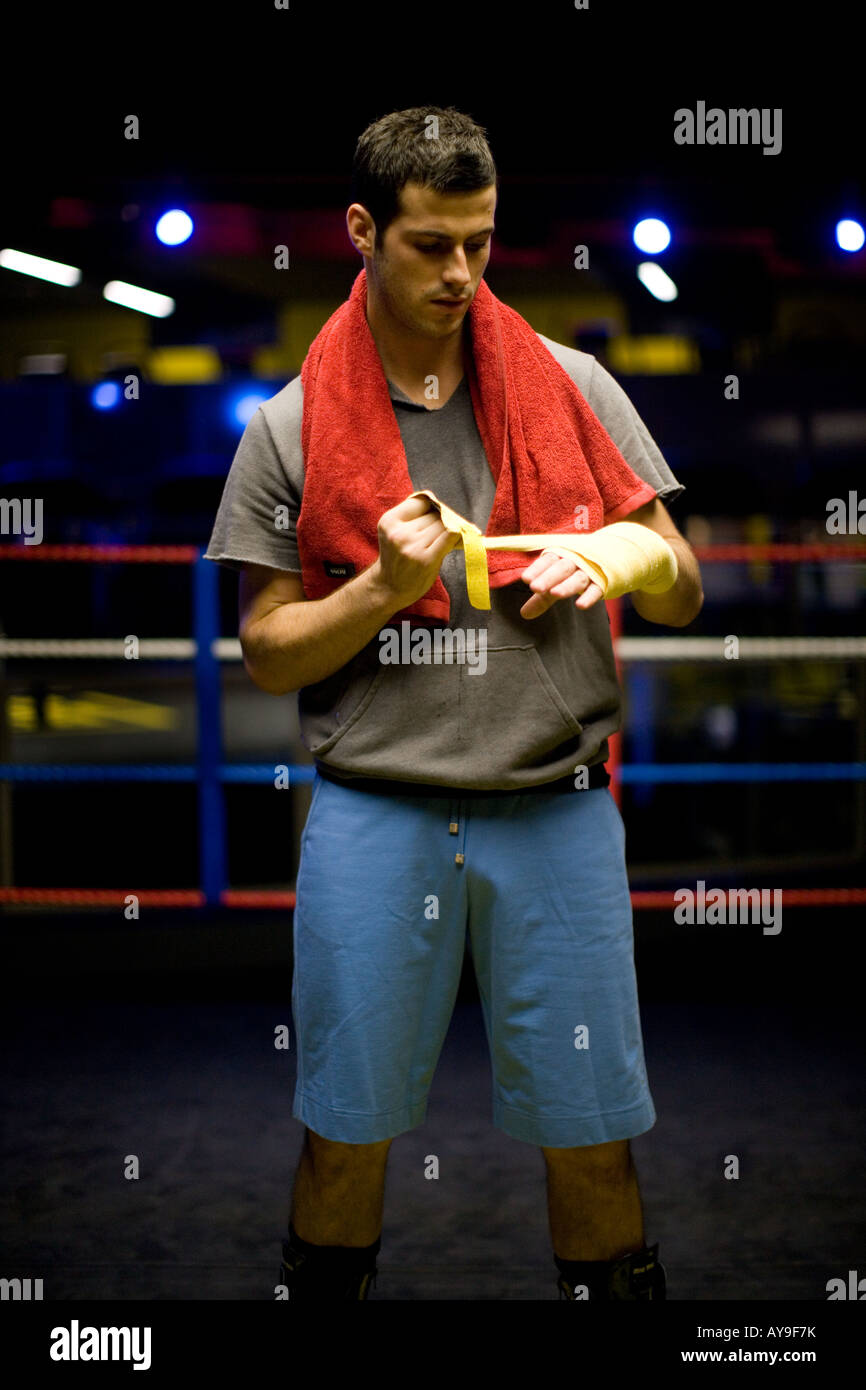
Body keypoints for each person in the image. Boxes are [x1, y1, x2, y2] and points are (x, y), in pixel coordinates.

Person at [204, 106, 704, 1301]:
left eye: (479, 240)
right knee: (343, 1134)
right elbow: (269, 653)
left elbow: (683, 583)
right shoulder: (288, 426)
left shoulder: (572, 387)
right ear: (363, 231)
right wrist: (383, 586)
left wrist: (625, 562)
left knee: (593, 1140)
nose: (461, 272)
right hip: (377, 813)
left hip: (557, 808)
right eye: (431, 244)